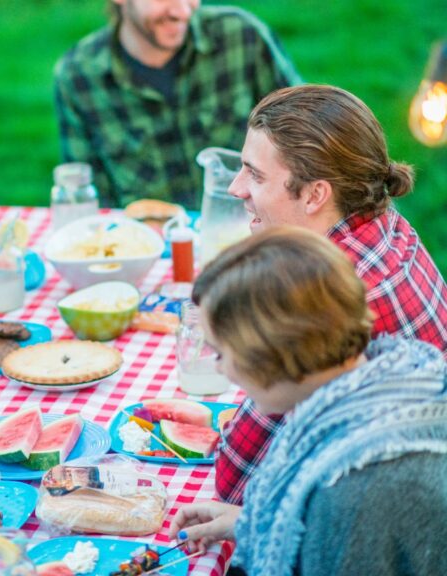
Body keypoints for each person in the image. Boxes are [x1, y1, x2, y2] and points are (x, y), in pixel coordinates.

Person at [169, 226, 447, 576]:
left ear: (274, 352)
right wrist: (251, 523)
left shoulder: (352, 490)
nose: (220, 368)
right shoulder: (387, 387)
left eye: (222, 352)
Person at [216, 84, 447, 504]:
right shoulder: (384, 224)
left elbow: (236, 484)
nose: (236, 188)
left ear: (314, 194)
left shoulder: (324, 298)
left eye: (255, 174)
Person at [53, 0, 300, 208]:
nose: (183, 11)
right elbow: (86, 197)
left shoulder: (243, 37)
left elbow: (304, 136)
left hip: (249, 233)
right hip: (149, 250)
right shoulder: (78, 76)